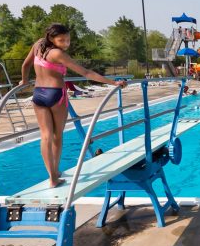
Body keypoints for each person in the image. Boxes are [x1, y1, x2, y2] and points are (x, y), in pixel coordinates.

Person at [20, 23, 127, 187]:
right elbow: (86, 73)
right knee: (57, 136)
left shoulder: (38, 46)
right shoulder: (58, 54)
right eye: (61, 40)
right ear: (51, 38)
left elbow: (25, 65)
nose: (65, 44)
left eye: (68, 40)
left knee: (45, 135)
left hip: (38, 94)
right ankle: (54, 176)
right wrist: (113, 82)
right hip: (55, 94)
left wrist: (25, 81)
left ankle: (52, 175)